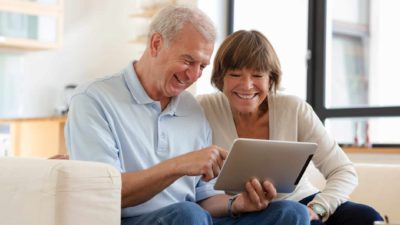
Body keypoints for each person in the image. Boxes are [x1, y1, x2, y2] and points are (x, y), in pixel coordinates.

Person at [65, 6, 309, 225]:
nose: (193, 76)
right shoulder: (93, 99)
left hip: (196, 219)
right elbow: (104, 193)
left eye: (202, 66)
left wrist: (237, 204)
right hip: (135, 220)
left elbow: (205, 198)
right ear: (156, 44)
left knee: (291, 212)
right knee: (188, 214)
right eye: (188, 61)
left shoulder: (191, 108)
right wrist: (178, 166)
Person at [197, 30, 384, 225]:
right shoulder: (203, 109)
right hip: (240, 211)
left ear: (271, 79)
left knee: (365, 216)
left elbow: (343, 170)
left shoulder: (293, 108)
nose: (246, 85)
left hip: (301, 202)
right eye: (235, 74)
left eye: (257, 75)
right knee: (293, 215)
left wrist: (318, 208)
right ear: (220, 78)